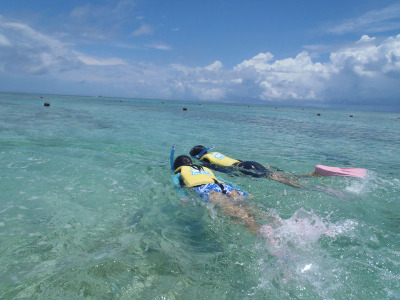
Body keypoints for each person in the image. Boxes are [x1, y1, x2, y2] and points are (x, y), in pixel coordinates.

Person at [172, 155, 262, 233]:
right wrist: (243, 192)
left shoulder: (178, 174)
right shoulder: (203, 169)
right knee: (247, 206)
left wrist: (184, 197)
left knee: (234, 214)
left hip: (207, 189)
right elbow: (226, 181)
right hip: (223, 186)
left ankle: (260, 232)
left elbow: (176, 186)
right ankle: (269, 218)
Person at [189, 145, 305, 188]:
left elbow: (221, 169)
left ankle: (300, 186)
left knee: (273, 177)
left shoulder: (205, 160)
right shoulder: (214, 154)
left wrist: (236, 176)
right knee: (273, 175)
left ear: (197, 156)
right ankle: (303, 176)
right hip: (248, 163)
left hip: (245, 167)